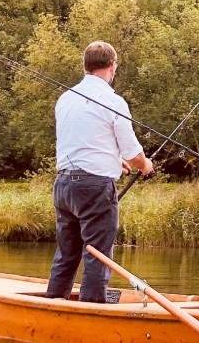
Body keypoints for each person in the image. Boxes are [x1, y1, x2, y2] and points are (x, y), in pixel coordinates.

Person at [45, 40, 153, 302]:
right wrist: (144, 165)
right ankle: (91, 312)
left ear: (86, 67)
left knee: (67, 254)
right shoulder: (112, 100)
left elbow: (84, 140)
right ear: (112, 67)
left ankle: (52, 304)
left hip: (63, 186)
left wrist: (116, 162)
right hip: (94, 189)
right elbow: (132, 151)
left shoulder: (65, 98)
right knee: (97, 255)